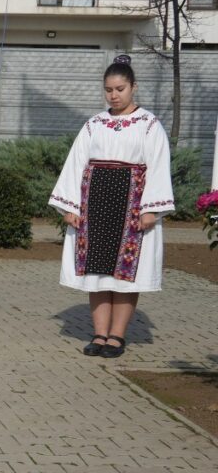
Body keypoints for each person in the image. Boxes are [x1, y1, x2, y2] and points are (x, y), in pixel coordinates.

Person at [49, 54, 174, 359]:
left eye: (120, 88)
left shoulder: (148, 125)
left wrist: (150, 208)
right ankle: (99, 334)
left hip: (131, 208)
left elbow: (158, 165)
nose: (114, 95)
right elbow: (76, 163)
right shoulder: (94, 124)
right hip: (95, 206)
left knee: (125, 277)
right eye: (108, 89)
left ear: (133, 87)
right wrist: (70, 206)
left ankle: (117, 336)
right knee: (97, 273)